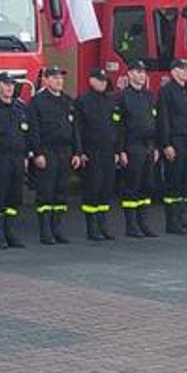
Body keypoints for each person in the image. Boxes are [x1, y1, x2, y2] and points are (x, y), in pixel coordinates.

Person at [27, 66, 76, 245]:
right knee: (46, 193)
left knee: (61, 192)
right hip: (47, 152)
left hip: (65, 151)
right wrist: (37, 153)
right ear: (46, 80)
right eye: (54, 78)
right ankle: (45, 231)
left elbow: (75, 129)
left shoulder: (68, 101)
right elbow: (34, 130)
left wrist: (76, 152)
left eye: (61, 78)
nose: (59, 81)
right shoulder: (37, 102)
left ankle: (57, 228)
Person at [156, 58, 187, 235]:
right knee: (173, 182)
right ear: (174, 71)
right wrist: (166, 144)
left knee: (186, 182)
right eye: (182, 69)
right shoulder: (166, 92)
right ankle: (172, 221)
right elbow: (164, 119)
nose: (186, 72)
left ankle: (182, 219)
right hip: (175, 141)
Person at [0, 72, 30, 250]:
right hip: (0, 158)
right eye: (5, 84)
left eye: (11, 84)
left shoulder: (20, 107)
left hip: (18, 157)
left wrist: (27, 155)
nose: (10, 87)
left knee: (14, 197)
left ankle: (11, 233)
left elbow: (26, 133)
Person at [74, 68, 121, 241]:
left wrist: (117, 150)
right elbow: (77, 128)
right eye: (99, 80)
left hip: (109, 151)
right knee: (93, 188)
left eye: (104, 80)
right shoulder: (83, 101)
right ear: (91, 80)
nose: (102, 83)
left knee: (106, 188)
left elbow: (117, 126)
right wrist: (80, 151)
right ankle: (91, 227)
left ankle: (103, 225)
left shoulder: (111, 101)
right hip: (91, 151)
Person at [116, 60, 160, 238]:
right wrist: (121, 150)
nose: (142, 75)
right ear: (130, 74)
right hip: (131, 145)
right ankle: (131, 225)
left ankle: (144, 223)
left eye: (144, 72)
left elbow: (154, 121)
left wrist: (156, 146)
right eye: (138, 72)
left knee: (146, 185)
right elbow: (119, 126)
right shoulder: (122, 96)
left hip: (148, 146)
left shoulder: (149, 96)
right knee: (131, 185)